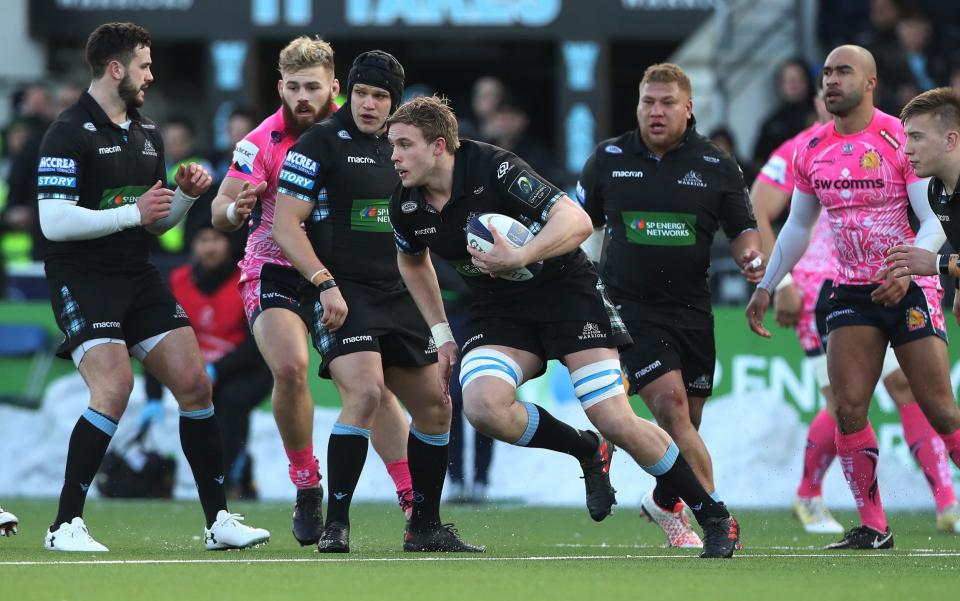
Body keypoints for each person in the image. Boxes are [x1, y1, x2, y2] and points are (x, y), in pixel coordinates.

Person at [387, 94, 742, 558]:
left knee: (614, 416)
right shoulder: (406, 204)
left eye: (403, 145)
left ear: (438, 146)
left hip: (567, 294)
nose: (393, 157)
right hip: (500, 309)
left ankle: (715, 516)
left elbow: (576, 220)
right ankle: (584, 449)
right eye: (391, 146)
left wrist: (522, 254)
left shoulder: (496, 168)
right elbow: (412, 262)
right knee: (482, 406)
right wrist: (441, 333)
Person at [35, 22, 269, 552]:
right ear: (115, 69)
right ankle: (64, 524)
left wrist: (183, 200)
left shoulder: (147, 133)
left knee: (195, 383)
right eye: (143, 65)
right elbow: (53, 222)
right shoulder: (67, 132)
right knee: (114, 389)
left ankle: (218, 522)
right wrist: (130, 213)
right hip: (82, 279)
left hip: (136, 274)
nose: (150, 74)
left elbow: (155, 223)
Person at [747, 45, 960, 549]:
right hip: (849, 291)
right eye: (826, 73)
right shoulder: (810, 148)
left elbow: (933, 221)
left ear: (870, 82)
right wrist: (767, 284)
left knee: (942, 411)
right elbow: (796, 227)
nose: (830, 81)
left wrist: (908, 269)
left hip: (909, 288)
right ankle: (874, 526)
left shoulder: (900, 139)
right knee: (848, 408)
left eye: (843, 72)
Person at [273, 50, 482, 553]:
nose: (369, 105)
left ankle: (424, 527)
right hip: (341, 293)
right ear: (349, 91)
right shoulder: (318, 144)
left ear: (395, 101)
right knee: (365, 394)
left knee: (437, 407)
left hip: (399, 294)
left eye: (381, 96)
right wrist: (324, 284)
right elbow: (284, 226)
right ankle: (336, 523)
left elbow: (424, 239)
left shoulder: (405, 148)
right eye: (363, 93)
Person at [211, 37, 415, 546]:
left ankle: (414, 499)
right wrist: (236, 210)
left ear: (334, 89)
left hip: (341, 272)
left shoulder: (365, 123)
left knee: (373, 388)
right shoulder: (261, 141)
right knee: (290, 367)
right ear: (280, 87)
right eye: (294, 87)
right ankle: (306, 485)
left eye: (313, 88)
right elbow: (220, 207)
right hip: (275, 270)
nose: (303, 97)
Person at [578, 63, 763, 549]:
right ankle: (718, 519)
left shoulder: (717, 165)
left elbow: (743, 226)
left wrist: (749, 254)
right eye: (647, 102)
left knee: (686, 423)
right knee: (673, 407)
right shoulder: (609, 159)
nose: (655, 112)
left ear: (688, 108)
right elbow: (575, 223)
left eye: (666, 103)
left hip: (692, 311)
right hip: (629, 308)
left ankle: (663, 502)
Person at [167, 219, 273, 500]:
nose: (209, 247)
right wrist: (154, 396)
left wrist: (216, 369)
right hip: (198, 370)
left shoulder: (246, 279)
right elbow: (162, 335)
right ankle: (211, 474)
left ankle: (229, 478)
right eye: (203, 240)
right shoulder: (177, 280)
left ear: (228, 244)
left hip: (246, 370)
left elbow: (256, 344)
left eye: (216, 239)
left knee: (231, 403)